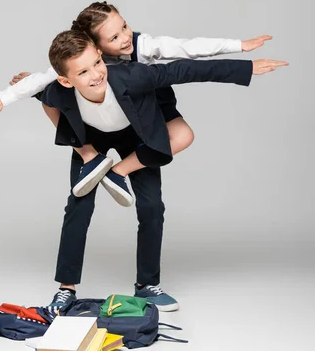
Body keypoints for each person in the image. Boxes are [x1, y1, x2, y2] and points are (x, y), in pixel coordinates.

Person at [28, 29, 286, 312]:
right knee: (78, 206)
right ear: (66, 80)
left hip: (134, 137)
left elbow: (185, 69)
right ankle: (66, 288)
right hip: (92, 141)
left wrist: (246, 68)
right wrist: (84, 151)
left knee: (152, 206)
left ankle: (147, 285)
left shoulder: (131, 76)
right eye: (83, 72)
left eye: (97, 64)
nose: (95, 75)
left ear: (102, 56)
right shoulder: (59, 88)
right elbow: (40, 93)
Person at [0, 2, 273, 204]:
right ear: (95, 45)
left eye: (125, 27)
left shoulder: (143, 45)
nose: (126, 37)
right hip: (113, 113)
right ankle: (91, 157)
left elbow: (188, 53)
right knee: (48, 91)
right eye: (114, 37)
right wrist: (3, 98)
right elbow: (47, 76)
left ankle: (119, 172)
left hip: (152, 100)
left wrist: (240, 49)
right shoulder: (88, 61)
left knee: (183, 136)